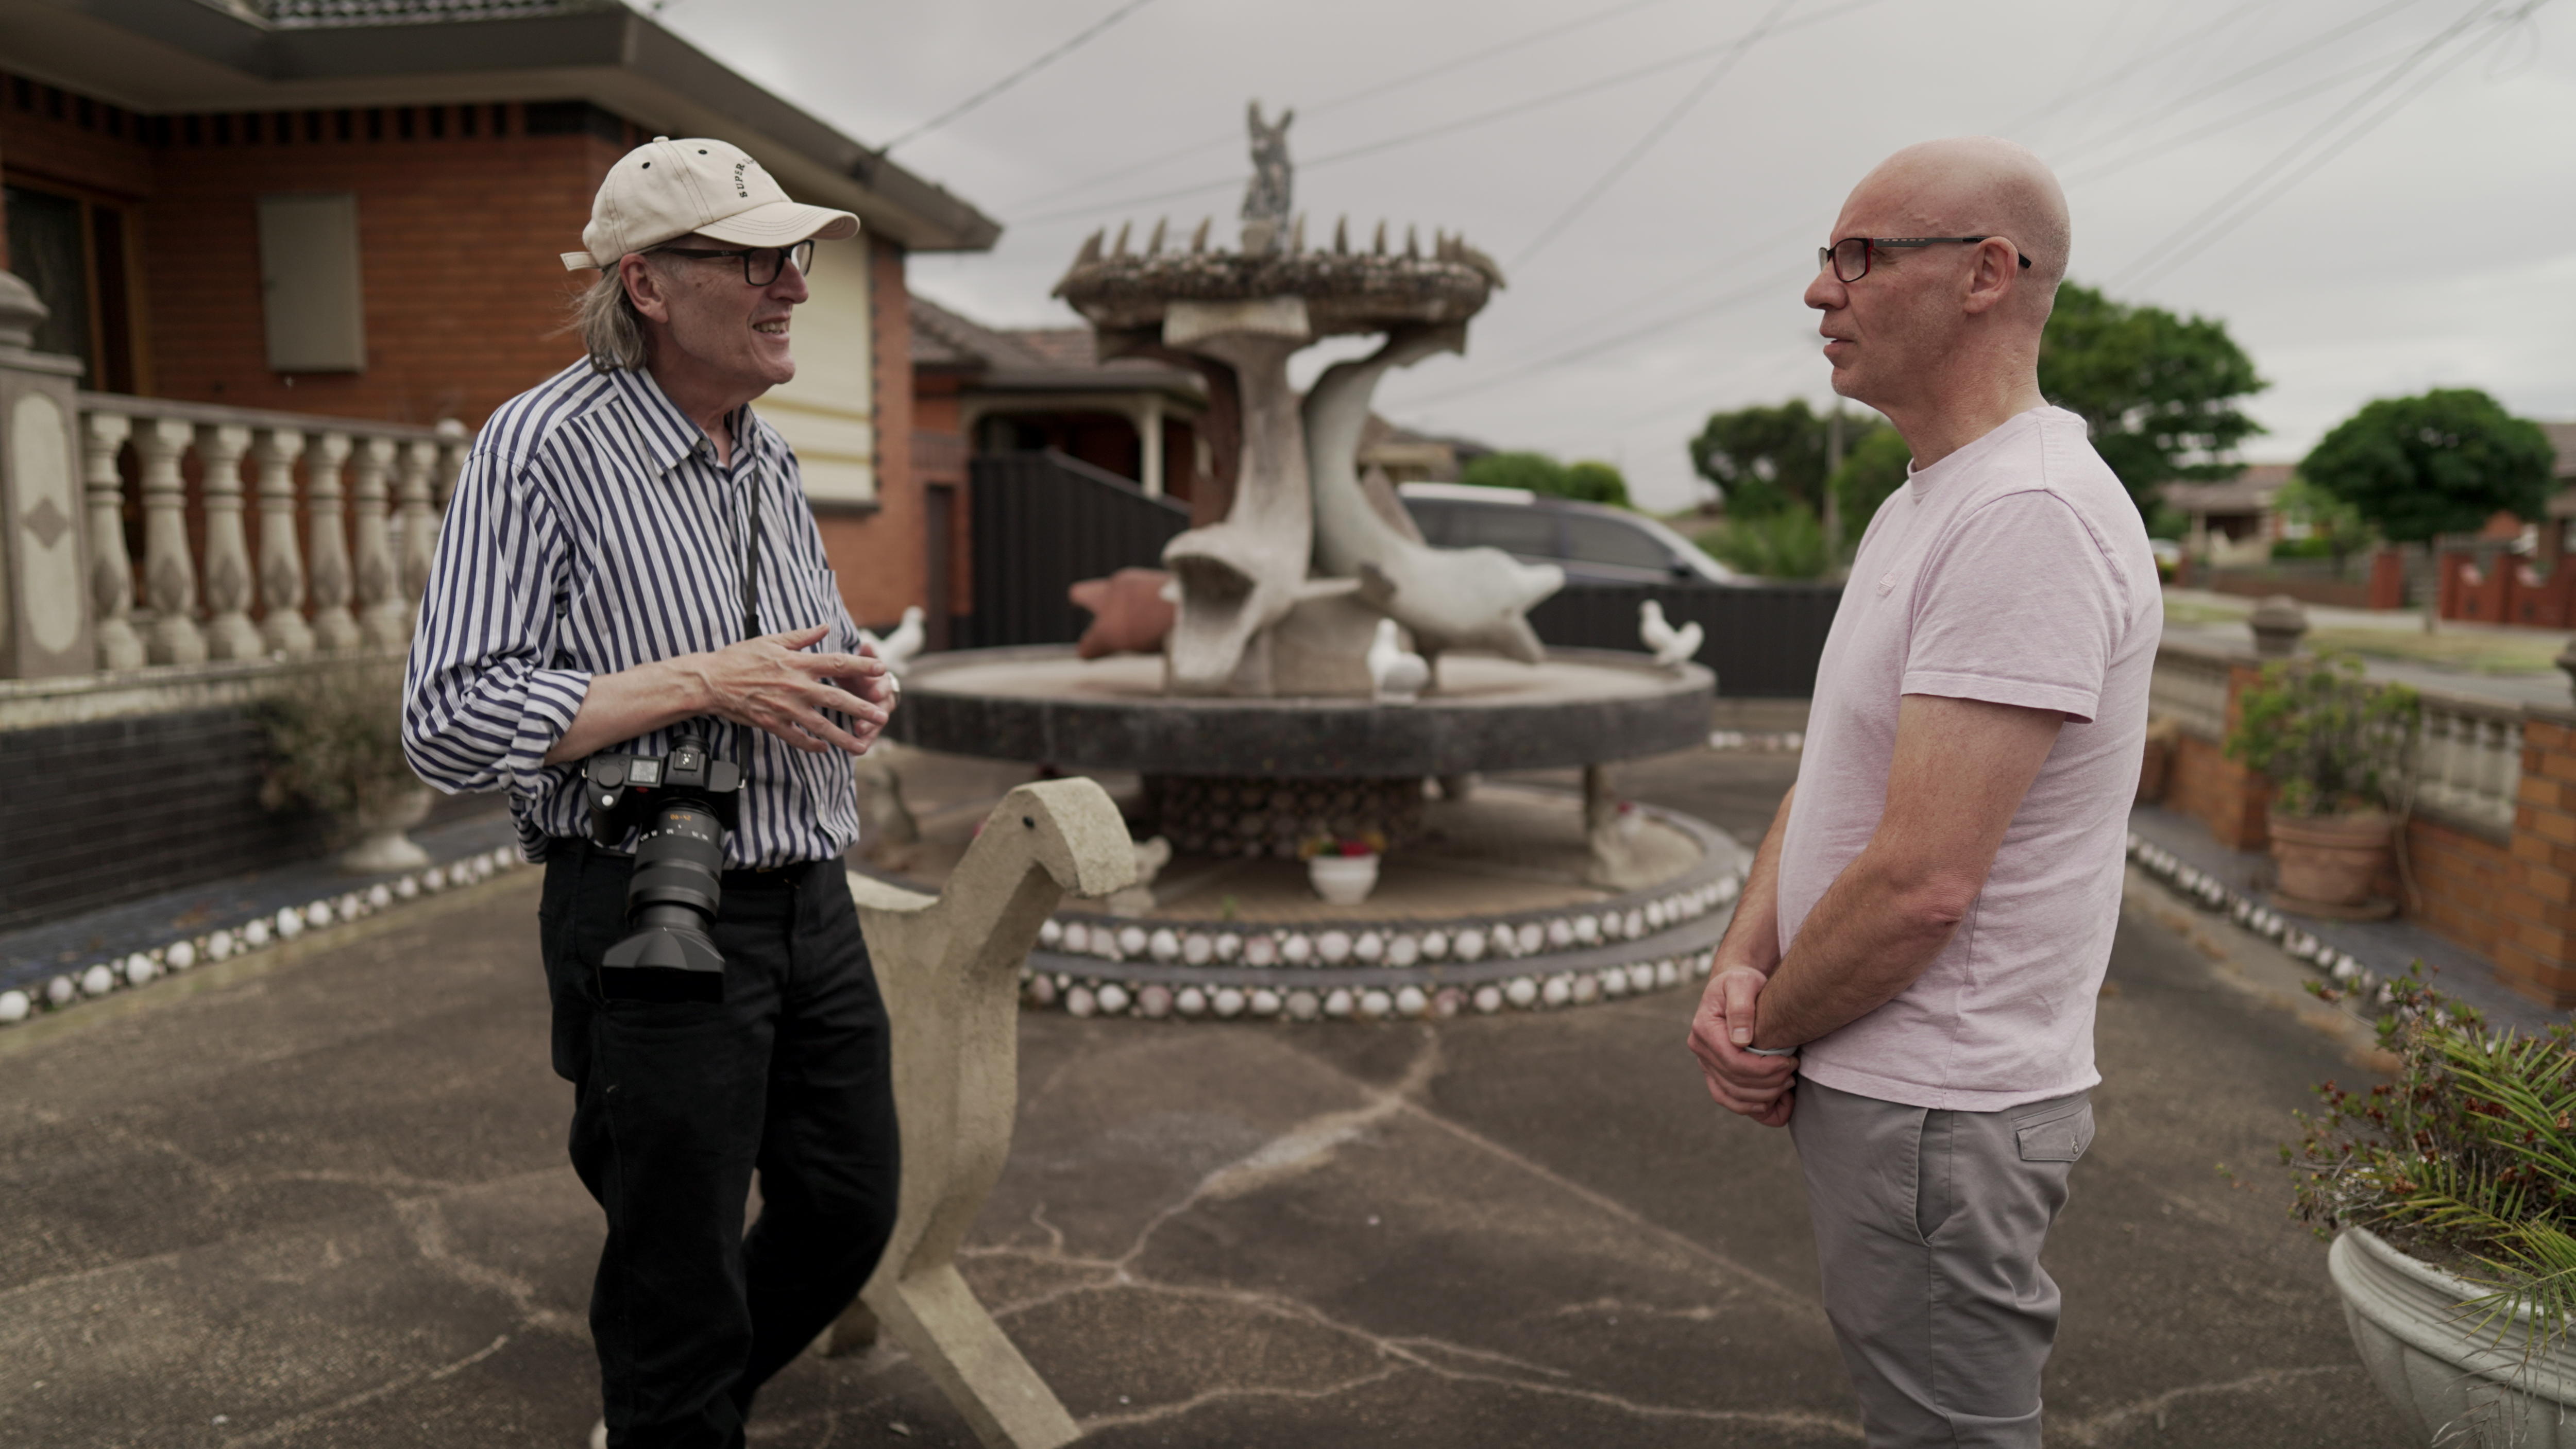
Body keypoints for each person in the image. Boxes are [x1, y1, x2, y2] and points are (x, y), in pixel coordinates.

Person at [403, 136, 902, 1449]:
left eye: (793, 257)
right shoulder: (539, 446)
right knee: (676, 1280)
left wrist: (857, 678)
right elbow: (448, 720)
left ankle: (672, 1418)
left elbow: (800, 645)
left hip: (810, 896)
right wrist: (699, 683)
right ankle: (674, 1411)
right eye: (757, 259)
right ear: (648, 285)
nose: (792, 284)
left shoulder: (768, 457)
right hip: (652, 909)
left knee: (849, 1209)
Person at [1686, 137, 2158, 1447]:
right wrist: (1743, 962)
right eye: (1828, 257)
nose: (1820, 292)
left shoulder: (2029, 516)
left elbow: (1921, 884)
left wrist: (1764, 1027)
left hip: (1938, 1109)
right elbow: (1839, 770)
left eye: (1862, 255)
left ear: (1986, 276)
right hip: (1891, 1089)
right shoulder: (1930, 499)